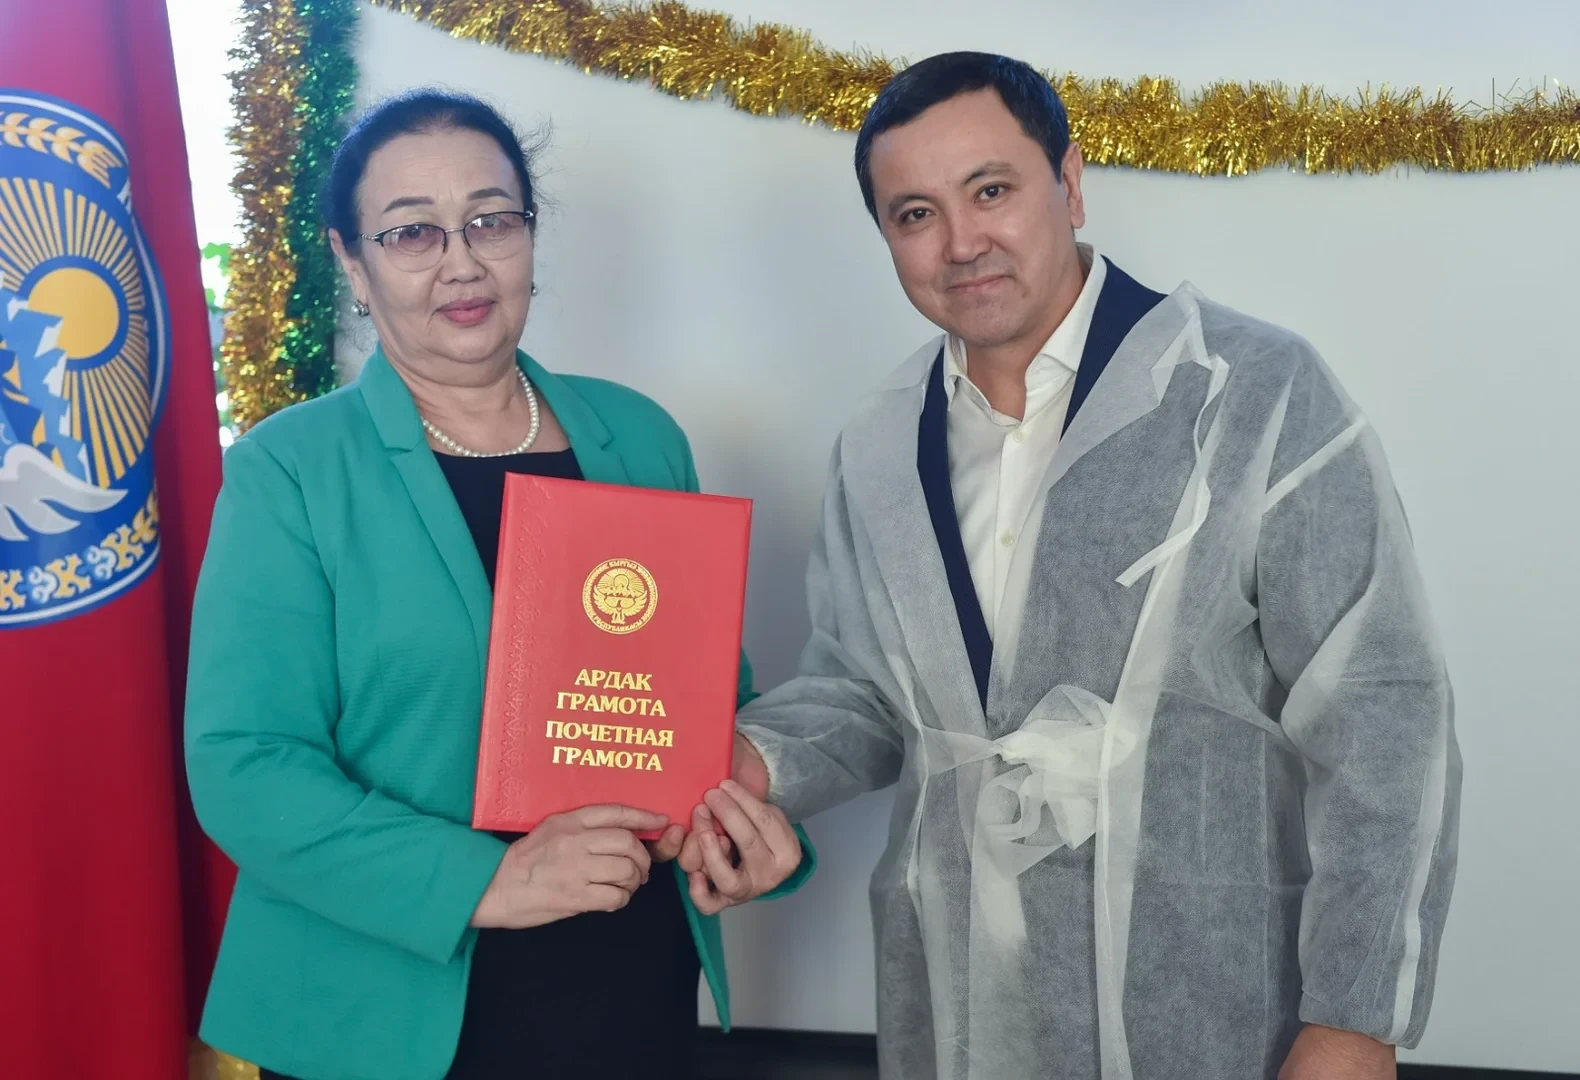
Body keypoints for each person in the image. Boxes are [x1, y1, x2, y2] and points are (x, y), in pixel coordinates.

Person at [715, 52, 1460, 1080]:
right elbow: (867, 689)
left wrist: (1355, 1020)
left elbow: (1383, 715)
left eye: (990, 190)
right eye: (915, 214)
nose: (960, 242)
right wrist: (745, 762)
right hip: (958, 1001)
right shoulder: (879, 445)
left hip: (1220, 1015)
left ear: (1067, 183)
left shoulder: (1250, 395)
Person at [185, 89, 809, 1080]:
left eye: (491, 220)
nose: (462, 262)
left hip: (630, 980)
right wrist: (492, 879)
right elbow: (245, 764)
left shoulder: (638, 437)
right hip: (387, 1011)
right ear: (351, 261)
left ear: (528, 235)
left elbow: (705, 711)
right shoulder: (292, 467)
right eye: (411, 233)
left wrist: (739, 831)